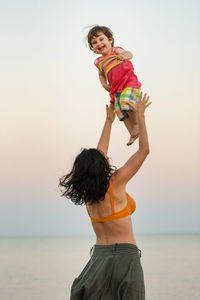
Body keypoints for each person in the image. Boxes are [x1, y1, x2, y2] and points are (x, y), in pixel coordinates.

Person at [59, 92, 151, 300]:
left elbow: (98, 157)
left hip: (99, 259)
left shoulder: (88, 196)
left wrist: (108, 121)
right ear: (101, 168)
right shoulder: (116, 183)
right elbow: (144, 150)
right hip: (125, 258)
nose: (107, 158)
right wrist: (140, 115)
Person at [87, 25, 142, 146]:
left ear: (110, 40)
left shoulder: (116, 51)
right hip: (116, 89)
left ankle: (137, 125)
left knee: (125, 102)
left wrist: (124, 56)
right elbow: (101, 75)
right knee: (120, 110)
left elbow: (129, 53)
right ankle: (132, 132)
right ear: (93, 48)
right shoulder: (99, 62)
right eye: (94, 43)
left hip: (128, 83)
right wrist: (104, 84)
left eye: (101, 39)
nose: (98, 43)